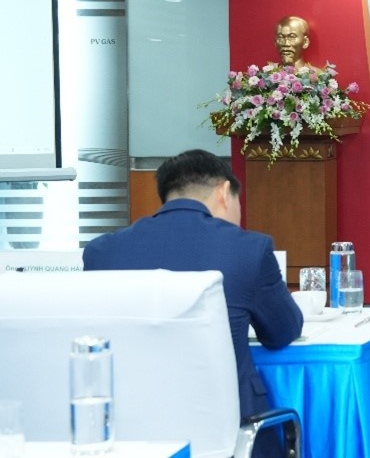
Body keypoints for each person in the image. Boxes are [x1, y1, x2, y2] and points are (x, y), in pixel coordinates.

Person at [83, 149, 301, 457]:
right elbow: (282, 331)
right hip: (232, 437)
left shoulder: (101, 253)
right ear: (224, 191)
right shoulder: (249, 249)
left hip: (130, 436)